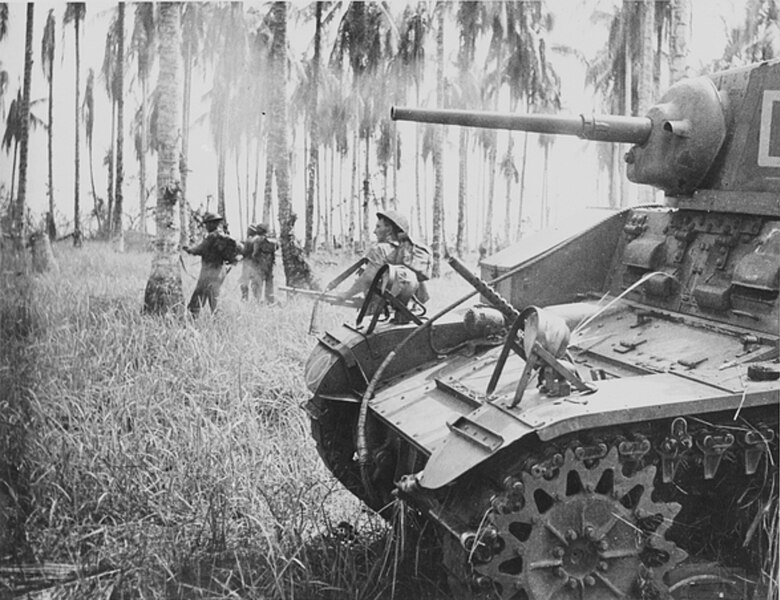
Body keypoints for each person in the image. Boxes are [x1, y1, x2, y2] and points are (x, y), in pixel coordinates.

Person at [336, 210, 431, 306]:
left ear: (389, 229)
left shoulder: (380, 249)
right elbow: (423, 294)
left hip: (385, 302)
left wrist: (346, 294)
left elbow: (368, 277)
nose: (374, 231)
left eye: (378, 227)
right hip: (409, 306)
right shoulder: (406, 250)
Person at [183, 212, 241, 316]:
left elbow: (198, 249)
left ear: (213, 224)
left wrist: (188, 249)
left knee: (199, 294)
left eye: (207, 224)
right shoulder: (225, 236)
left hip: (209, 271)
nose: (206, 226)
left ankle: (193, 317)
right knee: (214, 297)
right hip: (221, 270)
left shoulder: (212, 236)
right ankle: (217, 318)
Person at [254, 223, 278, 304]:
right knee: (269, 283)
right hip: (269, 265)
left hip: (260, 265)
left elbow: (255, 253)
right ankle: (270, 301)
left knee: (258, 284)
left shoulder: (257, 240)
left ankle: (257, 301)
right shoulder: (272, 241)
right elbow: (277, 247)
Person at [239, 224, 263, 301]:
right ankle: (257, 299)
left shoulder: (249, 240)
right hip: (257, 264)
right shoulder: (259, 240)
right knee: (256, 284)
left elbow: (244, 252)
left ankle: (245, 298)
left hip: (247, 263)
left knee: (245, 282)